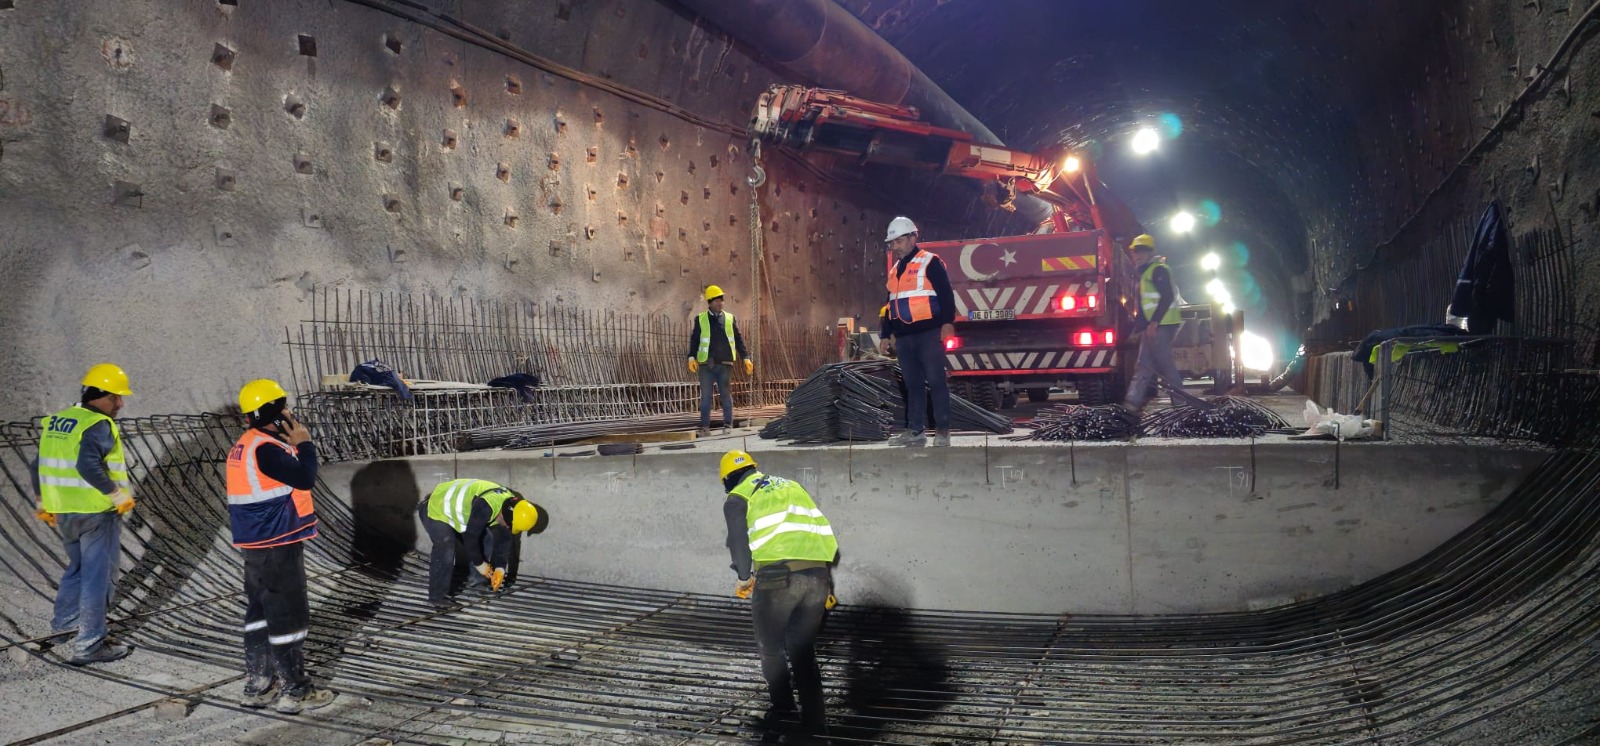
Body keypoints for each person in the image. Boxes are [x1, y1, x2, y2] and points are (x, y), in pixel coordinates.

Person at [226, 379, 336, 713]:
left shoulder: (247, 443)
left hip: (257, 543)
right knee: (288, 614)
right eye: (285, 407)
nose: (290, 412)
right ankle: (296, 690)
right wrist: (305, 444)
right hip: (276, 542)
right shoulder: (266, 449)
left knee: (261, 611)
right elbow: (305, 477)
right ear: (274, 415)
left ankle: (259, 685)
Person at [719, 450, 837, 737]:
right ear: (753, 468)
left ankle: (784, 713)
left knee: (771, 649)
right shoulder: (792, 486)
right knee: (802, 651)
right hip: (818, 576)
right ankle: (815, 723)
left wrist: (744, 577)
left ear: (728, 479)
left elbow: (738, 541)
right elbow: (818, 529)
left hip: (777, 580)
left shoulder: (738, 497)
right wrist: (826, 582)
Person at [33, 363, 137, 666]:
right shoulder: (98, 424)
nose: (120, 404)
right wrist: (116, 494)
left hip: (64, 512)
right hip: (95, 512)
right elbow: (87, 465)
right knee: (97, 577)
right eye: (116, 397)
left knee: (77, 568)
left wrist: (42, 501)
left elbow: (38, 463)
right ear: (100, 395)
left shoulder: (59, 421)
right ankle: (90, 644)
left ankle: (64, 628)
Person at [879, 216, 955, 447]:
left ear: (913, 238)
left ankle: (942, 431)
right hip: (904, 337)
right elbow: (890, 304)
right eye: (892, 243)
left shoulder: (930, 262)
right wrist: (885, 334)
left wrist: (947, 323)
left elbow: (946, 294)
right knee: (913, 385)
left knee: (936, 381)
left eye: (898, 241)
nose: (894, 246)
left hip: (928, 334)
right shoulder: (895, 270)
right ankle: (915, 432)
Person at [419, 478, 548, 608]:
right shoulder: (486, 506)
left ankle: (477, 586)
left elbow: (504, 541)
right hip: (436, 507)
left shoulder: (511, 507)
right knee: (446, 545)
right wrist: (481, 565)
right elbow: (470, 537)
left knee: (487, 539)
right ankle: (437, 597)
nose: (508, 528)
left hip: (456, 512)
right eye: (509, 525)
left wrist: (500, 569)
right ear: (504, 516)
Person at [1122, 234, 1191, 413]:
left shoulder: (1158, 269)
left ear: (1151, 252)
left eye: (1142, 251)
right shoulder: (1145, 272)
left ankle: (1181, 404)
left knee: (1164, 365)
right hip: (1153, 326)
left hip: (1162, 325)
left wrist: (1154, 323)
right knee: (1144, 365)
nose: (1137, 255)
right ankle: (1131, 403)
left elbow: (1167, 296)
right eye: (1135, 252)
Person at [687, 284, 752, 436]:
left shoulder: (729, 318)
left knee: (726, 395)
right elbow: (695, 339)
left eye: (721, 300)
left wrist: (746, 358)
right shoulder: (701, 319)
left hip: (725, 364)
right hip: (706, 365)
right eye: (716, 301)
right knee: (706, 397)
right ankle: (705, 428)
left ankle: (728, 425)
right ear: (709, 302)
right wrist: (691, 357)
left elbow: (738, 339)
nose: (720, 303)